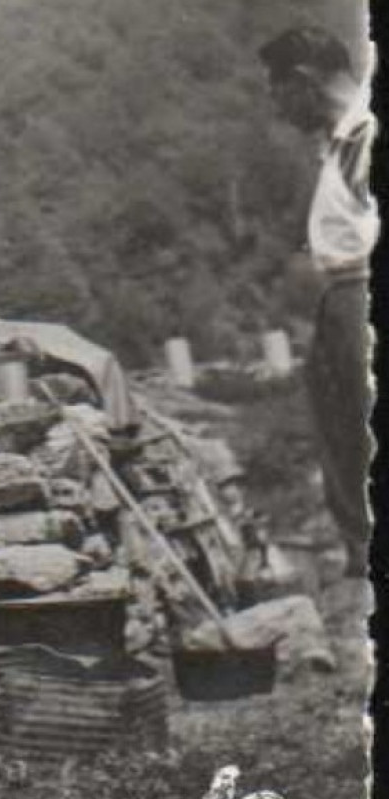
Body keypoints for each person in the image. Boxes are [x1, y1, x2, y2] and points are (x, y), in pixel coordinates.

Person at [259, 26, 377, 576]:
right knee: (342, 432)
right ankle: (361, 556)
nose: (277, 109)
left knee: (362, 427)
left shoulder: (367, 134)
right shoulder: (339, 140)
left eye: (278, 92)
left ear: (303, 83)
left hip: (360, 295)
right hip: (341, 299)